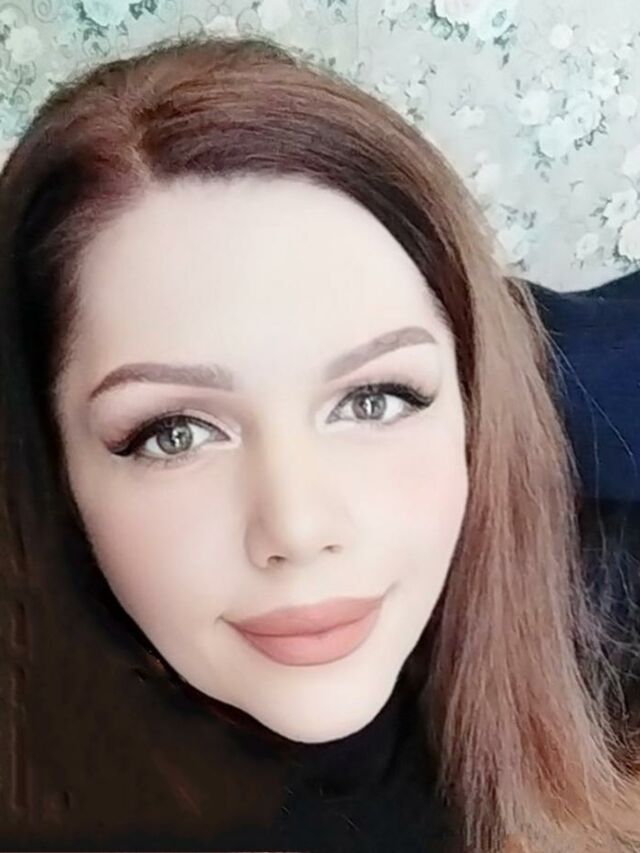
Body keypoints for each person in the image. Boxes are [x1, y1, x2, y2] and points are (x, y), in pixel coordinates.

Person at [1, 32, 639, 853]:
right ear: (49, 463)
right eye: (175, 432)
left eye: (374, 399)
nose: (299, 528)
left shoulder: (594, 588)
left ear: (475, 397)